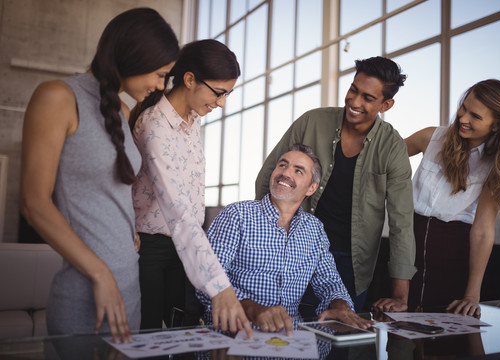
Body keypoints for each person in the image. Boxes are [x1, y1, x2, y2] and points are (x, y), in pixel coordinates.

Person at [19, 8, 180, 343]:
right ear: (134, 55)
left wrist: (128, 227)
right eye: (160, 74)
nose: (160, 86)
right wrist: (101, 274)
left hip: (127, 288)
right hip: (87, 291)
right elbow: (33, 204)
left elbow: (113, 192)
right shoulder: (57, 97)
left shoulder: (121, 112)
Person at [255, 56, 416, 314]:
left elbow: (402, 221)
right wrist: (270, 240)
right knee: (286, 334)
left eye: (368, 98)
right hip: (295, 250)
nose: (354, 101)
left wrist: (400, 295)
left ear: (386, 104)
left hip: (354, 263)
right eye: (353, 89)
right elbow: (268, 177)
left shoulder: (392, 146)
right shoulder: (312, 122)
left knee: (343, 340)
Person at [129, 39, 252, 336]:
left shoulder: (192, 119)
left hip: (183, 246)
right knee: (149, 340)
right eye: (219, 93)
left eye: (228, 94)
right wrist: (219, 287)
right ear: (189, 79)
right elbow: (177, 208)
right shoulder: (154, 126)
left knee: (180, 333)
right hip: (151, 248)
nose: (222, 103)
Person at [198, 144, 376, 336]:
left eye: (298, 170)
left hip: (291, 336)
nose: (285, 173)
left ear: (311, 188)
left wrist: (341, 305)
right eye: (282, 165)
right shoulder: (237, 215)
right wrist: (252, 309)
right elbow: (207, 280)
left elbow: (329, 281)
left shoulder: (314, 229)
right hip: (232, 333)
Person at [405, 79, 500, 316]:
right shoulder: (430, 137)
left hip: (453, 258)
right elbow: (381, 160)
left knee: (443, 345)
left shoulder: (496, 166)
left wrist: (472, 295)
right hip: (406, 248)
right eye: (463, 108)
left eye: (476, 116)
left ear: (496, 125)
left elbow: (482, 230)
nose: (463, 118)